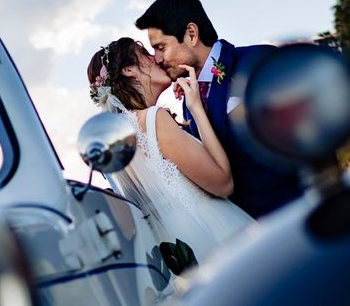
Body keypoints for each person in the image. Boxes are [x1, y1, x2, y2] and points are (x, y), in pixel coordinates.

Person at [136, 0, 303, 218]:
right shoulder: (189, 101)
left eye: (161, 47)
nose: (157, 58)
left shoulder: (259, 61)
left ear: (191, 34)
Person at [87, 37, 253, 263]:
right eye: (144, 53)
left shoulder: (120, 140)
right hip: (216, 235)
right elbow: (223, 183)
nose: (156, 58)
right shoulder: (153, 119)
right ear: (128, 70)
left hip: (180, 247)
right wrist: (196, 108)